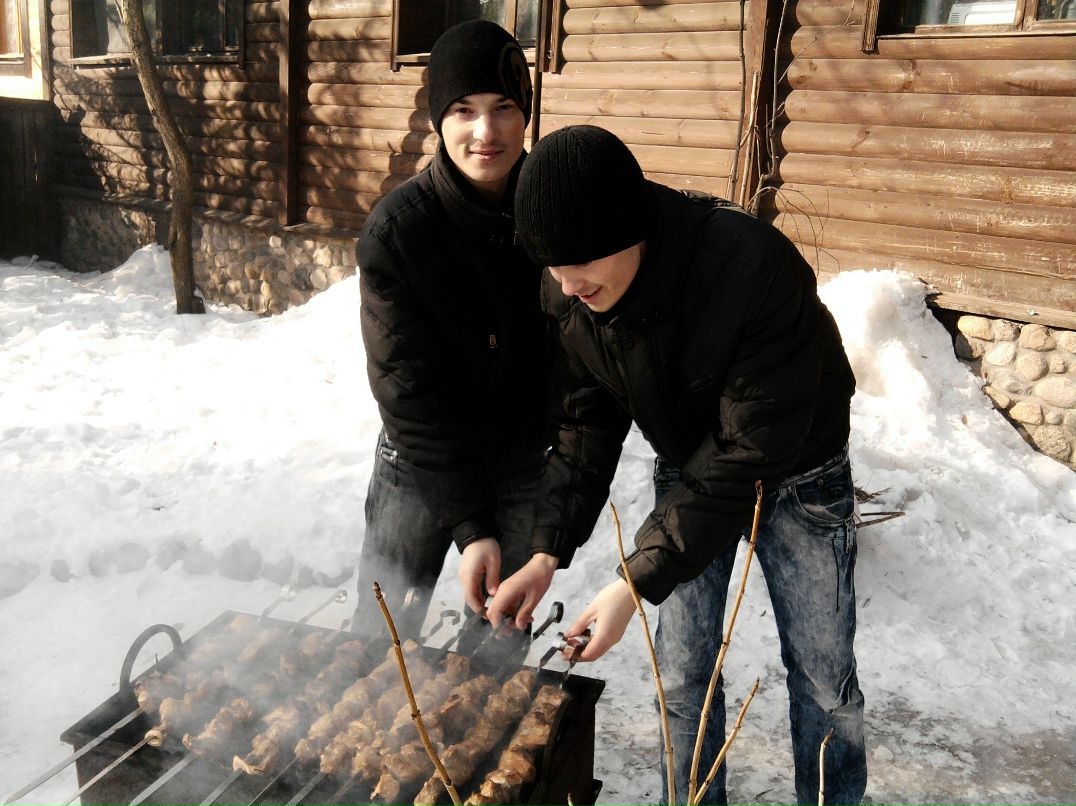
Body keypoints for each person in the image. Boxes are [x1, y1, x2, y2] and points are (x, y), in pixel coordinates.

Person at [488, 125, 867, 806]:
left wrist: (634, 581)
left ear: (629, 230)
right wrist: (546, 551)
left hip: (800, 472)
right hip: (688, 463)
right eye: (551, 265)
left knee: (822, 677)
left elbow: (750, 450)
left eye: (580, 261)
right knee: (684, 673)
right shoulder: (571, 290)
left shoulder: (751, 269)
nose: (567, 284)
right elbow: (583, 423)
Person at [351, 20, 549, 642]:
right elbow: (406, 391)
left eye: (504, 107)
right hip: (419, 460)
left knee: (498, 644)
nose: (485, 132)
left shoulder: (554, 214)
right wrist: (470, 522)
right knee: (381, 638)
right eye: (464, 110)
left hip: (521, 464)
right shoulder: (399, 233)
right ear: (440, 119)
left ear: (525, 115)